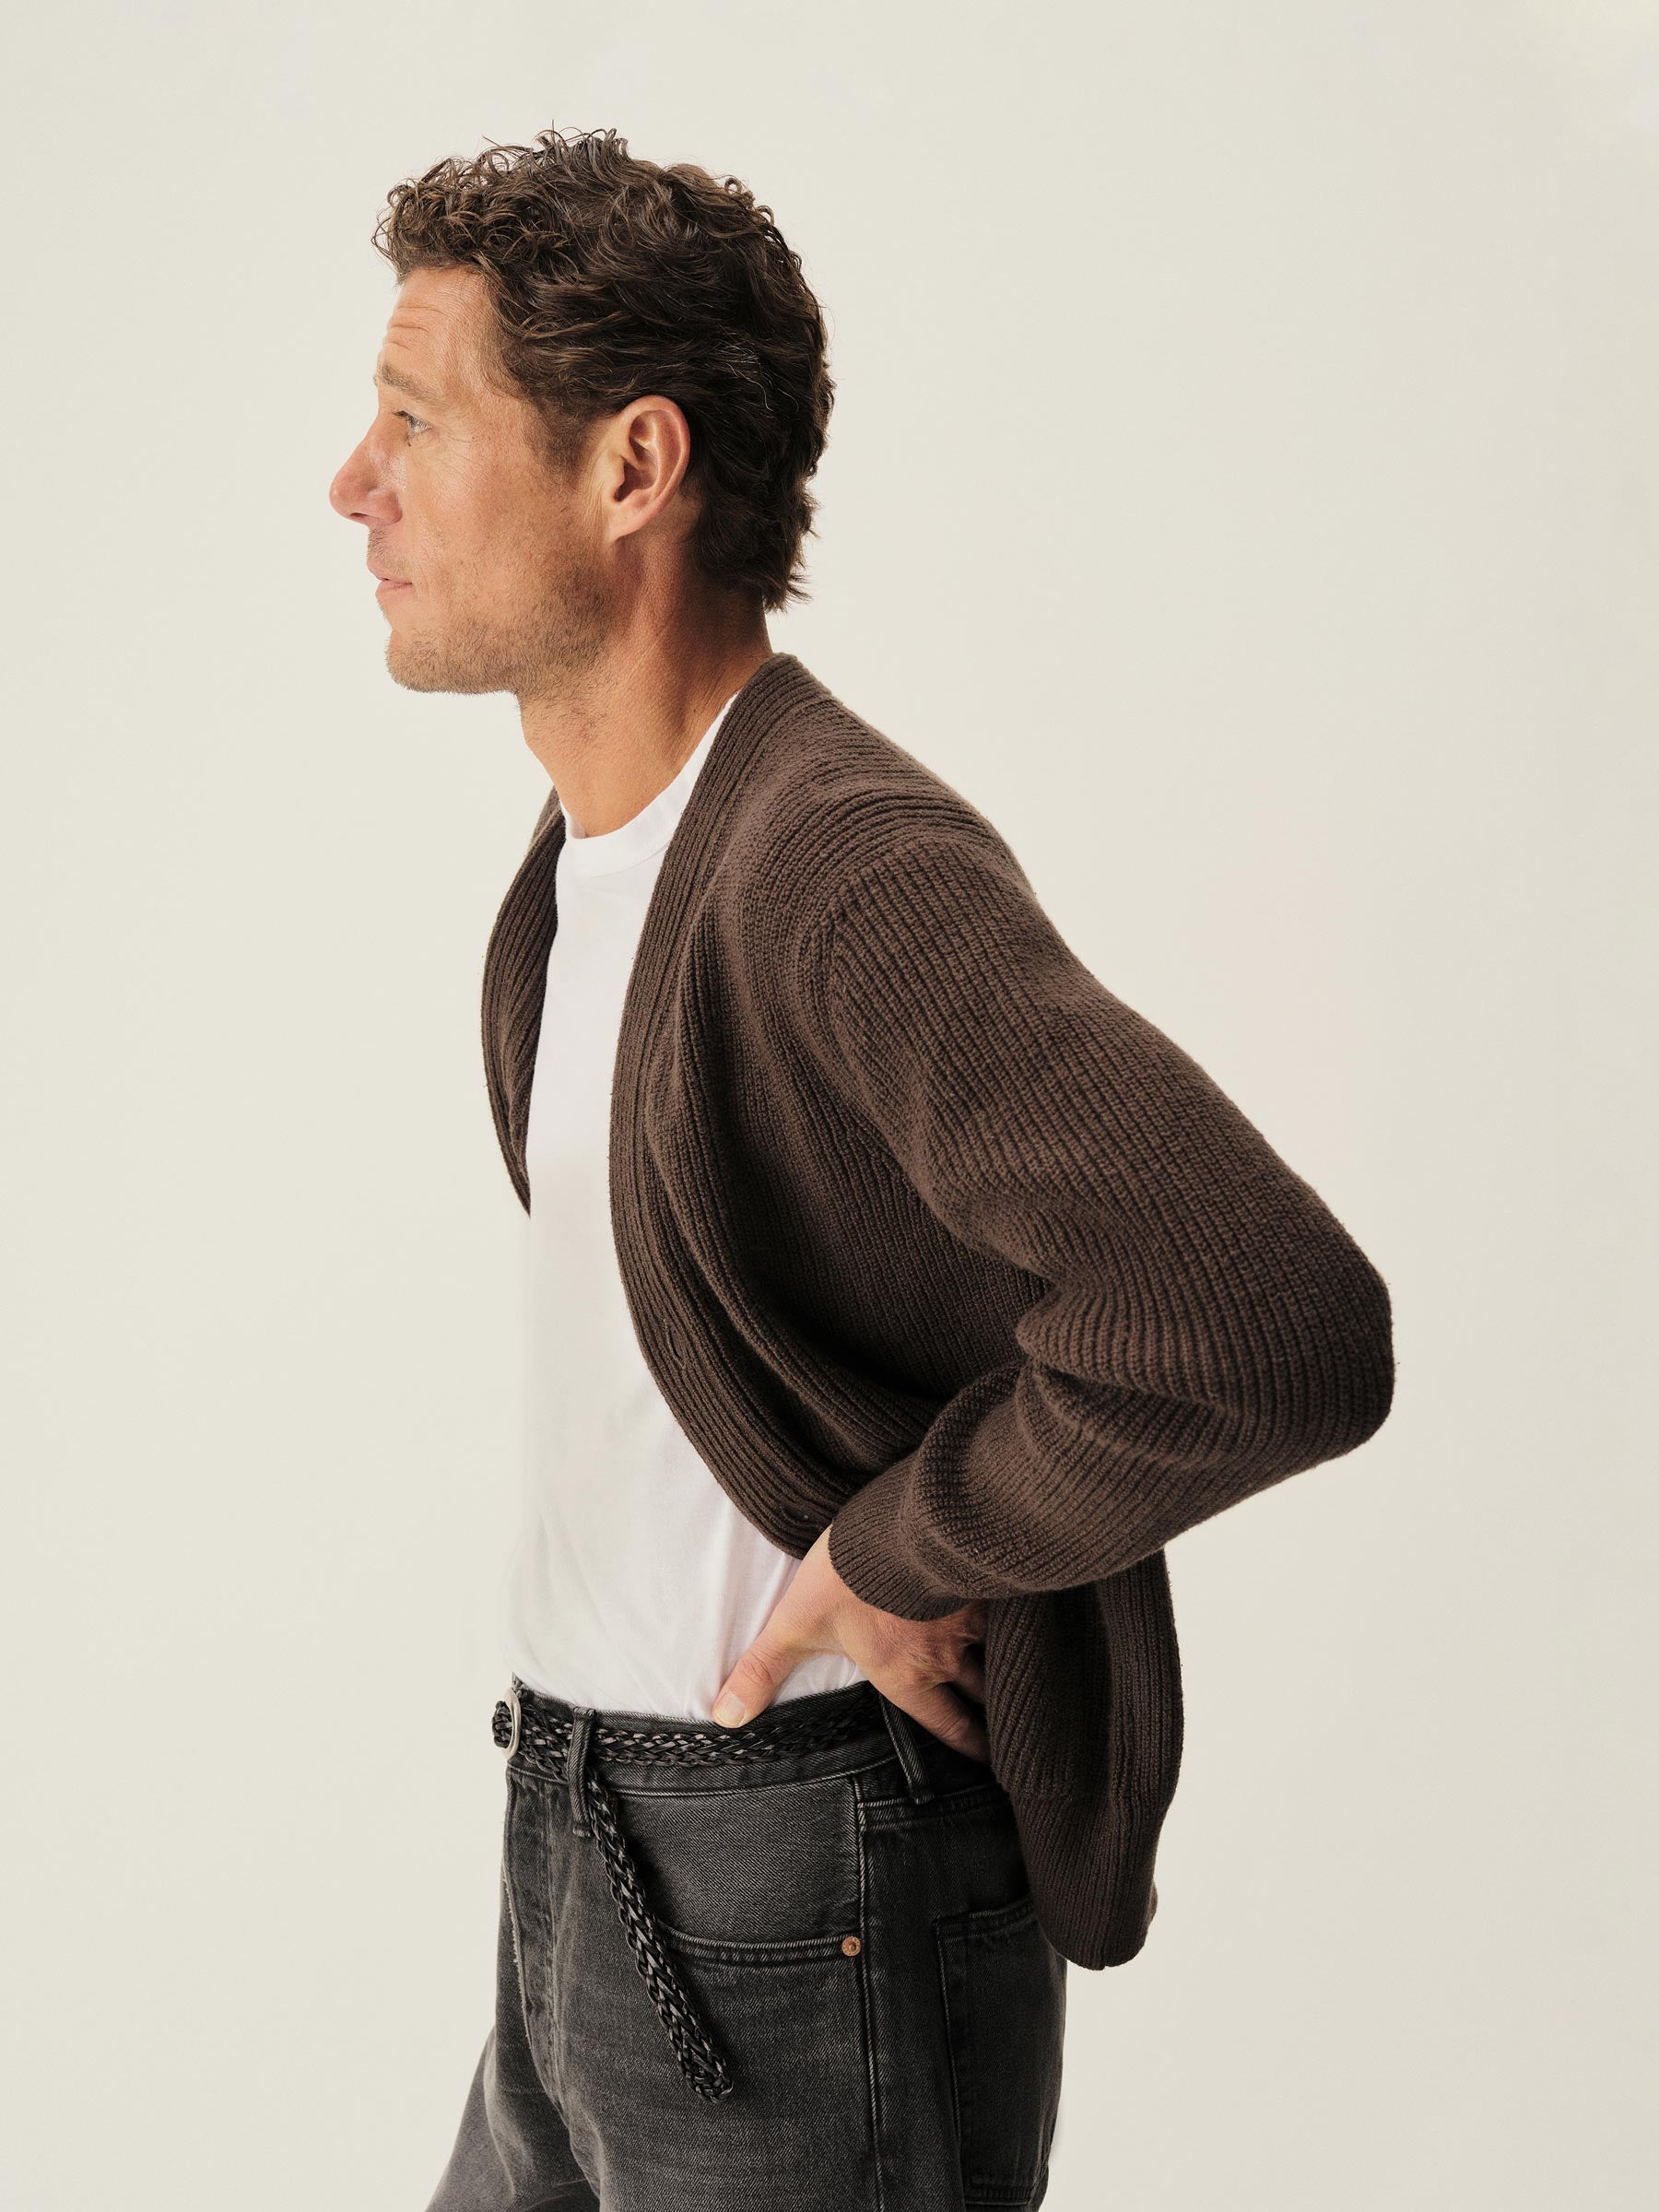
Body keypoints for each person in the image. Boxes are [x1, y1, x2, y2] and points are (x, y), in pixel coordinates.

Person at [329, 124, 1394, 2212]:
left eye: (414, 420)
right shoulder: (585, 878)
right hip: (580, 1849)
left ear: (633, 468)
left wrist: (908, 1546)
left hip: (787, 1893)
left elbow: (1270, 1321)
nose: (354, 484)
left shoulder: (837, 869)